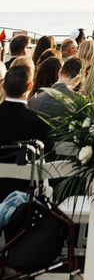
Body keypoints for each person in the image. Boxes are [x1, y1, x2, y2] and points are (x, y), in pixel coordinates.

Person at [0, 61, 52, 199]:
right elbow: (48, 158)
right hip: (25, 196)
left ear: (4, 86)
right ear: (30, 86)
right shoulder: (42, 121)